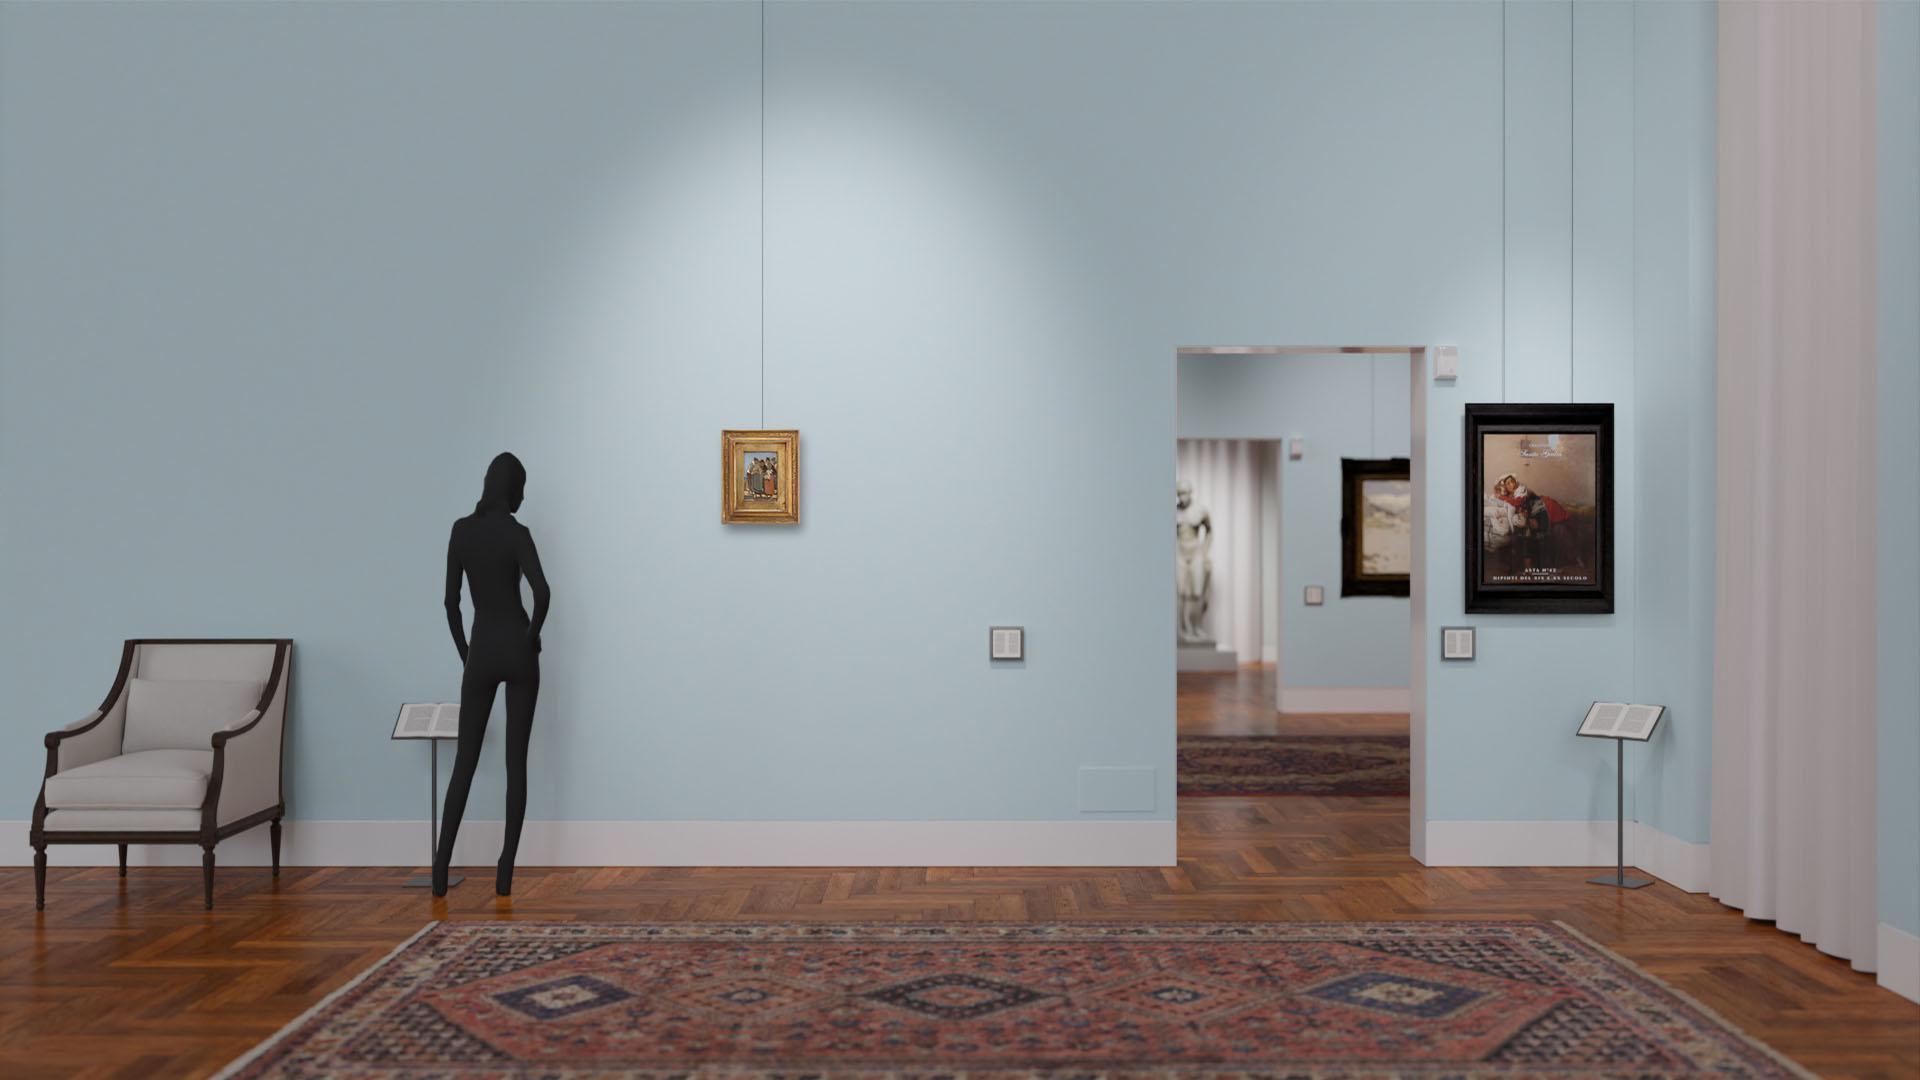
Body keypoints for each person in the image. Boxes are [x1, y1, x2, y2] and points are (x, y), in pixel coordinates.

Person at [434, 452, 550, 897]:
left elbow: (451, 604)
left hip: (481, 649)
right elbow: (542, 593)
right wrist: (532, 637)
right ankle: (504, 873)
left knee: (464, 761)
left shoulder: (461, 531)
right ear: (514, 490)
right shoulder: (517, 534)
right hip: (518, 648)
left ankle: (441, 868)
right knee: (515, 764)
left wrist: (466, 653)